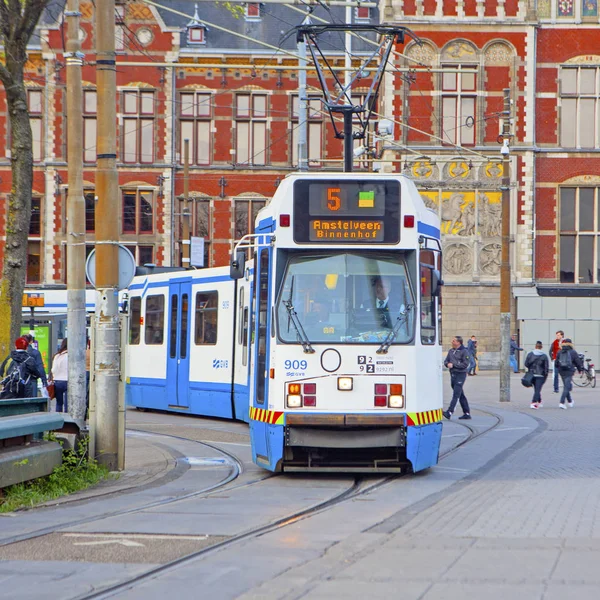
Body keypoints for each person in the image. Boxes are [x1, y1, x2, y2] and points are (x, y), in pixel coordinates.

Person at [443, 335, 471, 420]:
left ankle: (449, 412)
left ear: (459, 342)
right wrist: (447, 364)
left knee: (456, 394)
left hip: (460, 374)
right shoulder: (451, 351)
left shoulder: (464, 351)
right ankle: (467, 413)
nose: (452, 342)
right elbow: (446, 361)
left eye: (454, 341)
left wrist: (454, 365)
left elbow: (465, 364)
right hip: (453, 374)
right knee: (460, 394)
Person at [556, 338, 583, 409]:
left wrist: (558, 368)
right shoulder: (573, 352)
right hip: (569, 370)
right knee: (567, 387)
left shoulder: (559, 351)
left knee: (566, 386)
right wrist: (580, 369)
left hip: (561, 371)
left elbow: (556, 363)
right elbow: (578, 362)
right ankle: (561, 402)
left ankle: (570, 401)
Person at [524, 341, 549, 409]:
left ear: (535, 346)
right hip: (540, 375)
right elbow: (546, 367)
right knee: (538, 389)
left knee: (536, 389)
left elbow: (526, 364)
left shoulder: (530, 354)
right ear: (541, 347)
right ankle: (533, 402)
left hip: (532, 374)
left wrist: (530, 368)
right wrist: (545, 375)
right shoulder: (544, 356)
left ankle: (540, 401)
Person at [50, 338, 69, 413]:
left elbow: (53, 370)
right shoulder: (70, 356)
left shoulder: (57, 356)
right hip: (67, 381)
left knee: (59, 403)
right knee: (68, 403)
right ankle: (68, 418)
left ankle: (58, 417)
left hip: (57, 381)